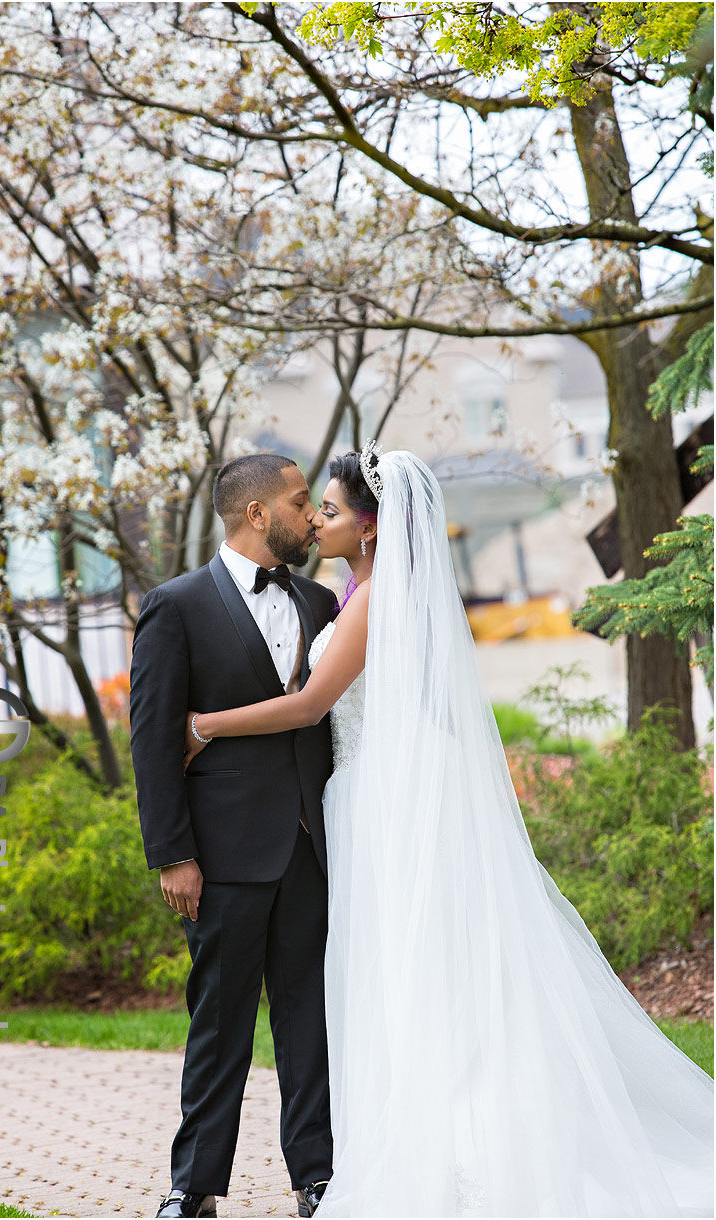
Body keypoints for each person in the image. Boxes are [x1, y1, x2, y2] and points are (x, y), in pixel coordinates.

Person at [184, 445, 714, 1218]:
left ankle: (451, 1148)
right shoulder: (366, 594)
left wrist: (202, 726)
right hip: (379, 787)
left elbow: (307, 707)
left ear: (369, 529)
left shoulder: (372, 600)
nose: (317, 521)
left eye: (328, 510)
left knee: (410, 968)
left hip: (385, 792)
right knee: (410, 968)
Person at [130, 453, 337, 1219]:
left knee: (308, 1017)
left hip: (311, 847)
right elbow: (154, 740)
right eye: (299, 501)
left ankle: (315, 1177)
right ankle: (196, 1184)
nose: (311, 514)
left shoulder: (320, 602)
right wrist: (173, 854)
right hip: (219, 858)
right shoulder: (175, 605)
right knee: (219, 1021)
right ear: (258, 515)